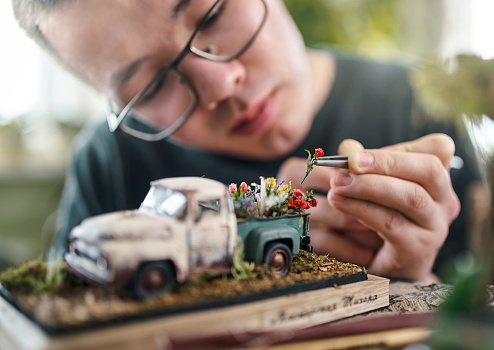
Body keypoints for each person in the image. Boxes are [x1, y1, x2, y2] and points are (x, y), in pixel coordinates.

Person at [12, 0, 482, 282]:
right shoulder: (108, 164)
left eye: (213, 14)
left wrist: (408, 285)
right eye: (150, 88)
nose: (220, 86)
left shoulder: (423, 103)